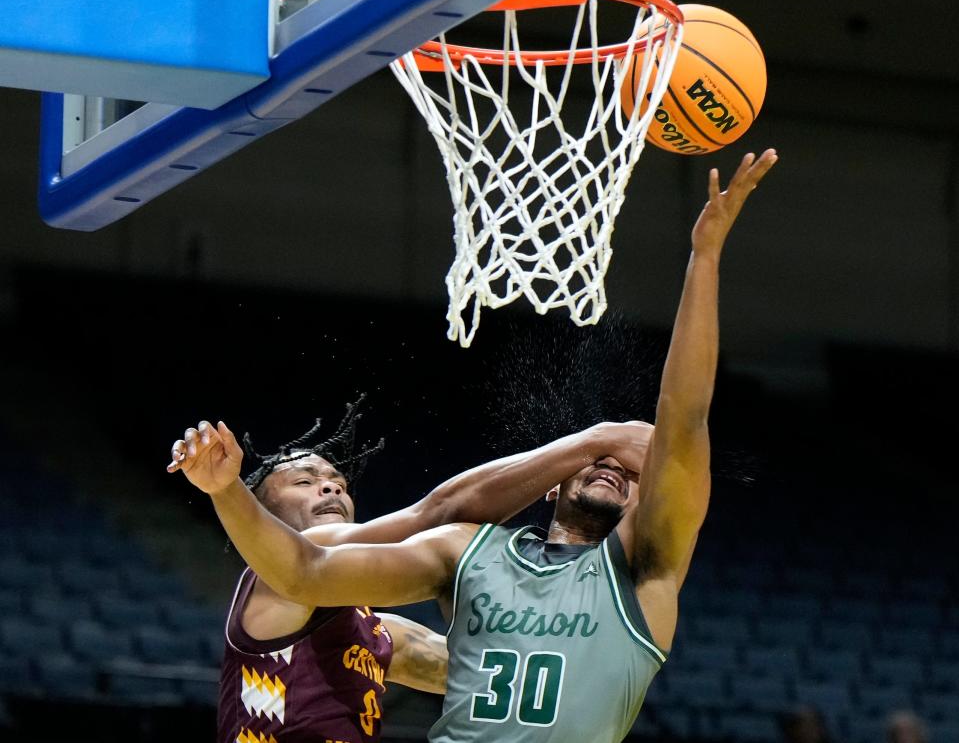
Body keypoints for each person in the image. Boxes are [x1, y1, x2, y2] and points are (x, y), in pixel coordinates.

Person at [171, 148, 778, 742]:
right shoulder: (466, 554)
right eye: (304, 482)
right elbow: (317, 563)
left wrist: (704, 257)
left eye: (630, 472)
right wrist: (227, 491)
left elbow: (684, 421)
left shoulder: (644, 572)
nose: (331, 485)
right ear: (555, 486)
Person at [169, 399, 651, 743]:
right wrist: (595, 443)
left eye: (338, 483)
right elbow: (438, 515)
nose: (330, 489)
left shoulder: (378, 635)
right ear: (263, 510)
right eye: (305, 481)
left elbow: (503, 669)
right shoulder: (274, 583)